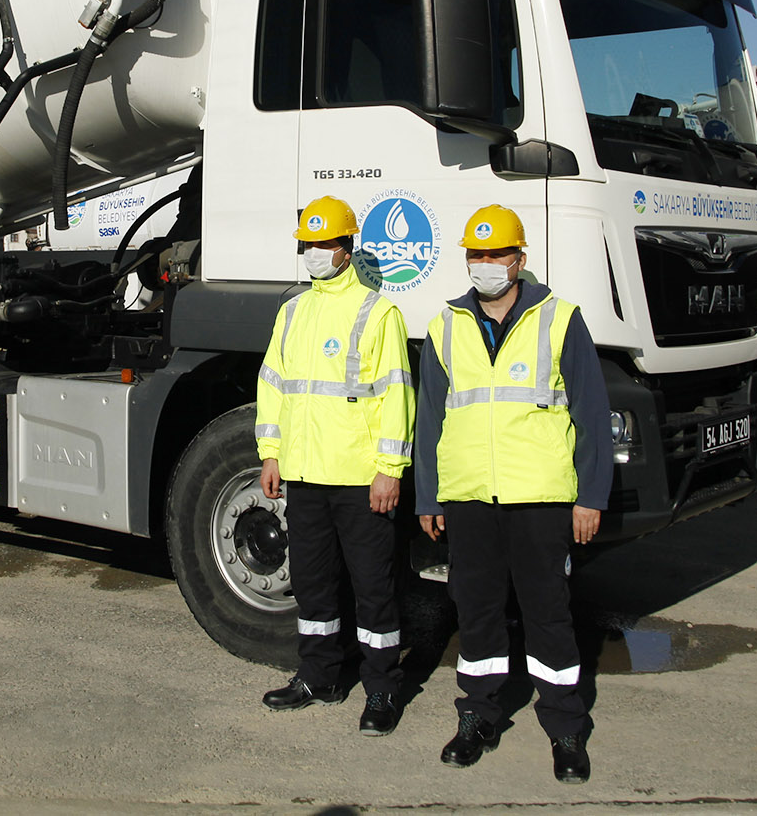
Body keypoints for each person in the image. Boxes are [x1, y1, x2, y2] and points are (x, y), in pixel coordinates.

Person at [413, 205, 612, 781]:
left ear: (520, 259)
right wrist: (428, 496)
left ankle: (566, 726)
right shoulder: (446, 324)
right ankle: (478, 714)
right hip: (470, 496)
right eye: (476, 255)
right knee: (475, 612)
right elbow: (430, 419)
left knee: (547, 612)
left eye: (496, 254)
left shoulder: (560, 318)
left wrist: (590, 497)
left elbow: (592, 415)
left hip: (540, 497)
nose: (485, 265)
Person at [254, 196, 414, 736]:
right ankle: (318, 675)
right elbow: (273, 385)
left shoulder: (378, 310)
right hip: (302, 475)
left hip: (359, 479)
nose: (314, 252)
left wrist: (390, 469)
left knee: (373, 587)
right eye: (308, 244)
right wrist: (270, 454)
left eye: (324, 244)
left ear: (347, 250)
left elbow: (396, 395)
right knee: (314, 585)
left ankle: (381, 689)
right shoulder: (293, 310)